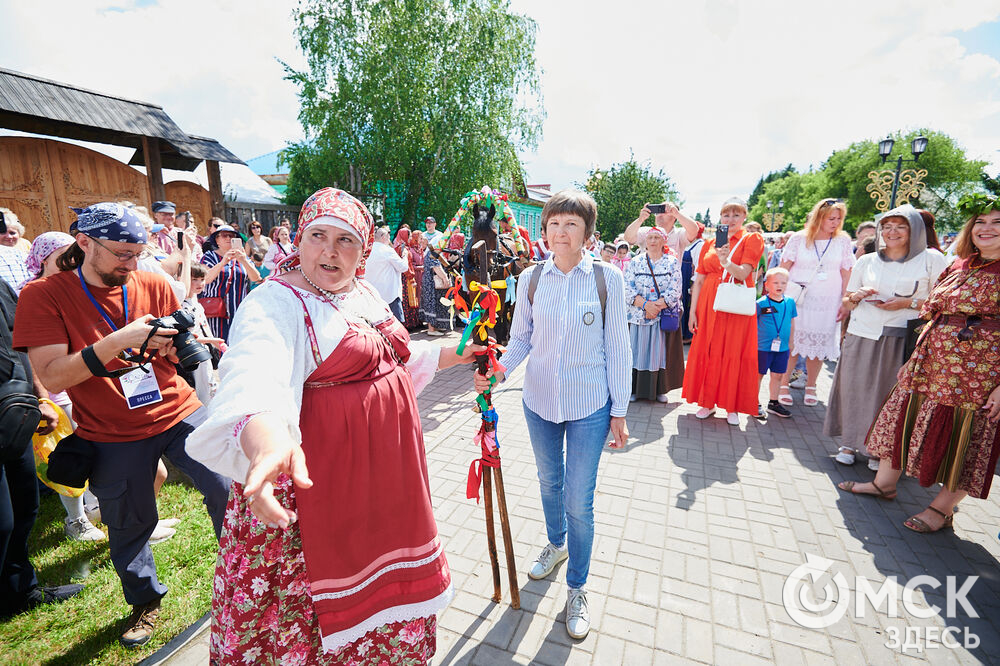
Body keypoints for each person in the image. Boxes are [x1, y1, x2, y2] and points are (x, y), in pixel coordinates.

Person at [186, 187, 476, 663]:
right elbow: (256, 372)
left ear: (364, 253)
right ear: (298, 239)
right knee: (312, 618)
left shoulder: (363, 293)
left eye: (346, 241)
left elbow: (394, 363)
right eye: (318, 235)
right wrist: (266, 440)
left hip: (383, 489)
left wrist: (460, 354)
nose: (329, 250)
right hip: (316, 493)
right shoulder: (273, 303)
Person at [13, 202, 230, 646]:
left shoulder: (150, 280)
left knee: (229, 486)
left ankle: (247, 577)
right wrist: (119, 342)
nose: (132, 265)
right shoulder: (44, 295)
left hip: (177, 409)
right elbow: (53, 374)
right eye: (121, 255)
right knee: (128, 521)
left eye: (138, 254)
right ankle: (145, 604)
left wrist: (174, 348)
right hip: (109, 430)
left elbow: (174, 345)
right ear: (85, 243)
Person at [474, 189, 630, 640]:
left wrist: (618, 411)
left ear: (588, 232)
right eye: (554, 224)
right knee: (549, 483)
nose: (561, 233)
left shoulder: (606, 280)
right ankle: (556, 545)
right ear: (544, 230)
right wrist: (497, 375)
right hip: (539, 402)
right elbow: (522, 338)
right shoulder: (531, 280)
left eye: (572, 225)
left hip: (590, 407)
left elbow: (618, 347)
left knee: (580, 499)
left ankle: (578, 587)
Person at [838, 197, 1000, 533]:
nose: (986, 229)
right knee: (901, 419)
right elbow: (935, 309)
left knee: (965, 438)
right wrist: (916, 356)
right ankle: (884, 483)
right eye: (980, 221)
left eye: (997, 223)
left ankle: (942, 510)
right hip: (930, 362)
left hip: (978, 375)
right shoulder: (961, 265)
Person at [827, 205, 948, 469]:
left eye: (900, 226)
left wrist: (907, 303)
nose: (892, 232)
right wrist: (857, 296)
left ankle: (877, 449)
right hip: (862, 332)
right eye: (887, 226)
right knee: (854, 388)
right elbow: (847, 301)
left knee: (885, 394)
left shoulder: (931, 259)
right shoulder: (866, 260)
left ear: (914, 230)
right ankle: (848, 442)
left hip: (901, 337)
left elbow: (942, 302)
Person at [0, 275, 85, 618]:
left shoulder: (2, 286)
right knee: (1, 522)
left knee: (25, 506)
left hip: (15, 416)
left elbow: (22, 347)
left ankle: (19, 591)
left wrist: (43, 398)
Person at [682, 197, 765, 426]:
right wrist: (692, 312)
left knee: (732, 352)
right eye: (726, 215)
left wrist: (725, 261)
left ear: (744, 217)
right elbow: (698, 280)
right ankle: (707, 402)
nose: (730, 220)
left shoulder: (752, 239)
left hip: (734, 304)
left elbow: (743, 274)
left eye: (736, 215)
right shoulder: (709, 243)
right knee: (709, 350)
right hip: (708, 303)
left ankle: (732, 405)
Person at [778, 198, 855, 407]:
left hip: (828, 301)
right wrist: (778, 297)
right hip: (799, 300)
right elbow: (783, 268)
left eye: (839, 218)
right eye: (831, 218)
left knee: (819, 343)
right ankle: (784, 384)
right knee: (793, 342)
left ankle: (811, 385)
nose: (835, 222)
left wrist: (846, 300)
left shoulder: (843, 241)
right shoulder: (798, 239)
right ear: (819, 217)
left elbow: (847, 272)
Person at [623, 226, 683, 402]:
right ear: (645, 241)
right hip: (638, 315)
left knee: (658, 354)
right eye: (650, 238)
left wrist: (656, 307)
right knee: (635, 351)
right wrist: (646, 305)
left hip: (660, 317)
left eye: (657, 237)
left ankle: (659, 389)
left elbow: (675, 288)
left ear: (664, 241)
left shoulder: (672, 262)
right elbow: (627, 287)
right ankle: (633, 389)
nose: (653, 241)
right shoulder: (635, 262)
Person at [200, 224, 260, 342]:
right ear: (217, 240)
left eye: (231, 235)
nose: (228, 238)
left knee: (239, 342)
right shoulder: (209, 256)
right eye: (223, 235)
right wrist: (223, 262)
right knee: (220, 344)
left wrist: (243, 260)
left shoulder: (242, 257)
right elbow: (206, 279)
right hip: (217, 312)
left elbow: (256, 278)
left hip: (239, 309)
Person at [756, 268, 797, 419]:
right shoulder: (760, 303)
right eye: (775, 282)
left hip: (782, 348)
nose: (780, 285)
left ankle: (773, 402)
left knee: (778, 375)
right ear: (766, 285)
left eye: (783, 283)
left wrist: (791, 341)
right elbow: (753, 324)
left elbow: (792, 322)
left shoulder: (790, 302)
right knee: (758, 375)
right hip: (762, 347)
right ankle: (754, 402)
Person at [422, 232, 462, 335]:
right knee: (432, 304)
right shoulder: (432, 254)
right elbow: (436, 267)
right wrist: (445, 279)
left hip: (431, 282)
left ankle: (436, 327)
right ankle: (431, 329)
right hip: (431, 283)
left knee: (436, 304)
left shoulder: (434, 253)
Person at [366, 226, 409, 323]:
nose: (389, 239)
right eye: (388, 236)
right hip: (389, 294)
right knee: (395, 325)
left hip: (372, 294)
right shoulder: (387, 250)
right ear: (383, 237)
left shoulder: (367, 250)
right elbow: (403, 267)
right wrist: (405, 256)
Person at [401, 230, 425, 329]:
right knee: (413, 297)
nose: (422, 240)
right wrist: (420, 268)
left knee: (420, 297)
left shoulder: (420, 249)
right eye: (420, 238)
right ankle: (412, 322)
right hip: (413, 276)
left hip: (421, 276)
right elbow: (409, 265)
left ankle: (418, 320)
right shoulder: (409, 250)